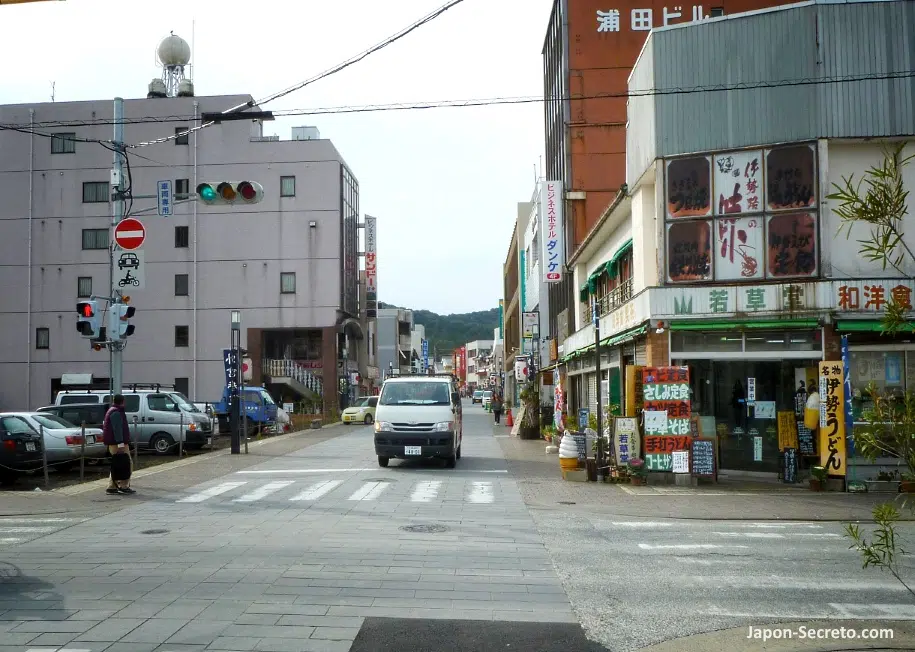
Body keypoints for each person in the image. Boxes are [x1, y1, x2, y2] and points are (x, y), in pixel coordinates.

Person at [103, 394, 135, 495]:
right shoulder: (116, 412)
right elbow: (117, 429)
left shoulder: (112, 410)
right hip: (118, 443)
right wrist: (120, 444)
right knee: (127, 464)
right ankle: (124, 486)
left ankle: (112, 487)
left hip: (114, 443)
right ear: (122, 401)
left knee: (117, 465)